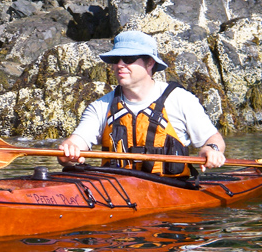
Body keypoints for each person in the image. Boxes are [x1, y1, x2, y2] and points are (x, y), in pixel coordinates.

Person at [58, 30, 226, 175]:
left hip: (171, 188)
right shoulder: (100, 106)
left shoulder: (181, 99)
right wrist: (68, 152)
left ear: (150, 63)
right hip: (115, 188)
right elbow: (76, 142)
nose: (119, 65)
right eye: (116, 59)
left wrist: (212, 149)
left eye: (128, 58)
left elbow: (214, 138)